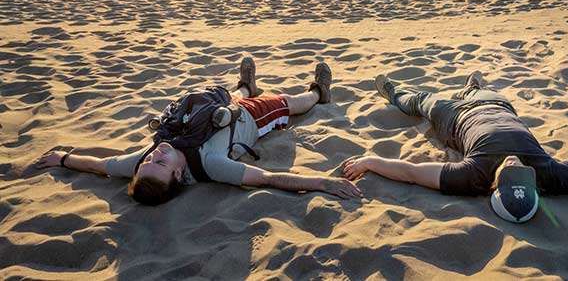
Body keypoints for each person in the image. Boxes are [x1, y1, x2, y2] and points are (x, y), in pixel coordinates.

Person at [344, 71, 568, 223]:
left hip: (454, 120)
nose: (512, 163)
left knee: (419, 102)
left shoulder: (471, 175)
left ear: (495, 185)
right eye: (521, 172)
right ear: (533, 182)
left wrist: (371, 160)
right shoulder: (552, 175)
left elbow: (411, 172)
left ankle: (392, 91)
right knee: (482, 91)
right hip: (498, 105)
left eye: (507, 173)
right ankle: (472, 88)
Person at [35, 58, 362, 205]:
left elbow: (99, 166)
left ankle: (245, 86)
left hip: (214, 112)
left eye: (149, 160)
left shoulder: (142, 164)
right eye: (161, 163)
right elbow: (267, 178)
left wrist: (62, 158)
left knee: (234, 98)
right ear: (179, 175)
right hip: (250, 120)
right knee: (289, 103)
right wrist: (323, 182)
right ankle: (320, 92)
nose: (156, 154)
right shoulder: (212, 166)